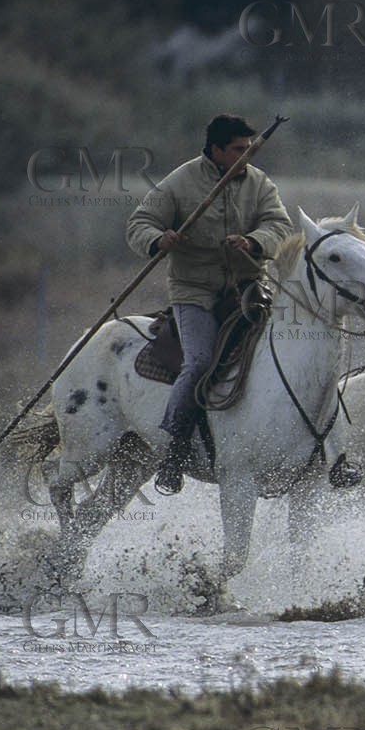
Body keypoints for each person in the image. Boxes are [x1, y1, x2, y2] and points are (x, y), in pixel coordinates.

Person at [127, 114, 293, 495]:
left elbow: (280, 226)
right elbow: (139, 224)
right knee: (200, 361)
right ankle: (174, 451)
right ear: (216, 150)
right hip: (194, 293)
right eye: (238, 149)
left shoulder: (260, 183)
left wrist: (253, 241)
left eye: (249, 148)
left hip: (248, 289)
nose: (246, 155)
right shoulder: (180, 182)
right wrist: (158, 240)